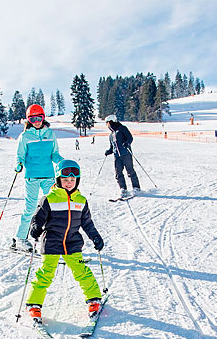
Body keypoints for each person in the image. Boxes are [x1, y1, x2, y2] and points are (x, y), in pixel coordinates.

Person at [24, 159, 104, 325]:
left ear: (78, 180)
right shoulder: (49, 199)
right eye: (65, 180)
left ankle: (94, 299)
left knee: (82, 271)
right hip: (52, 241)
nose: (69, 183)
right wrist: (36, 227)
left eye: (72, 180)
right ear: (58, 180)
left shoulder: (81, 200)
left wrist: (95, 236)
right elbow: (37, 218)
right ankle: (34, 304)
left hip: (72, 242)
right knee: (45, 273)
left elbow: (87, 223)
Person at [13, 104, 63, 252]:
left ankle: (52, 240)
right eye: (33, 118)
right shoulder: (25, 136)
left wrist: (62, 162)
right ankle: (20, 239)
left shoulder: (50, 134)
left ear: (43, 117)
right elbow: (20, 155)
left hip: (49, 176)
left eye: (39, 117)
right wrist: (19, 164)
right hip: (32, 177)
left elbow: (54, 154)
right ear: (28, 120)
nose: (36, 121)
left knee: (53, 207)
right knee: (30, 207)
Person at [104, 114, 141, 198]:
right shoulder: (111, 135)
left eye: (107, 123)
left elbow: (130, 138)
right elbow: (112, 147)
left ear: (112, 121)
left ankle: (136, 187)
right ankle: (123, 189)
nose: (107, 125)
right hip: (117, 156)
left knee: (130, 171)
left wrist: (127, 143)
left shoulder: (122, 129)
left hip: (126, 153)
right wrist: (108, 151)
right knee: (118, 173)